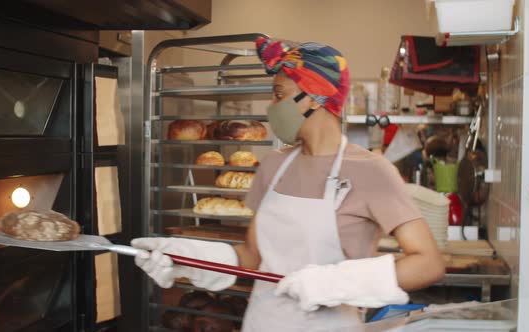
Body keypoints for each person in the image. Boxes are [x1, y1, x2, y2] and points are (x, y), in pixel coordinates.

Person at [132, 37, 445, 331]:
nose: (271, 106)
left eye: (279, 95)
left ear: (313, 98)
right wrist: (185, 257)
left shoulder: (372, 171)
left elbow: (428, 263)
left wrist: (338, 282)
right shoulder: (273, 165)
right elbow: (252, 255)